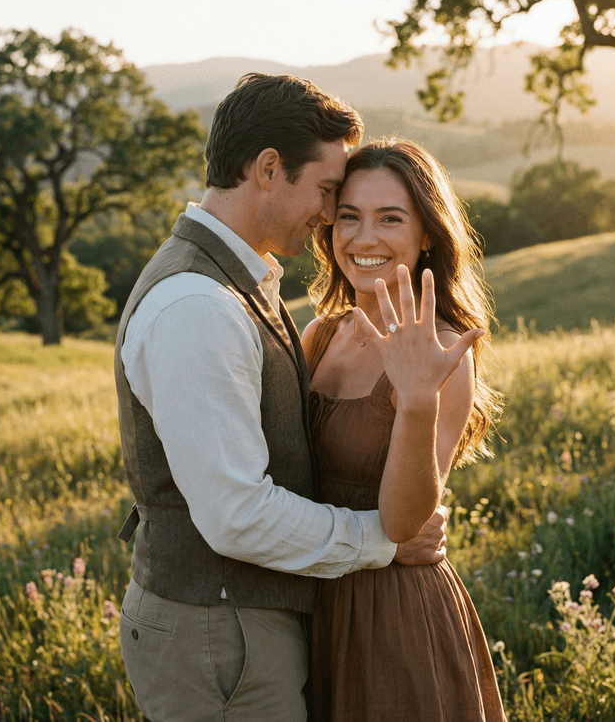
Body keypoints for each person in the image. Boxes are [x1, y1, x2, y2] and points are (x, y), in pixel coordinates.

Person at [113, 75, 458, 722]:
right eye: (331, 195)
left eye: (387, 217)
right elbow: (237, 514)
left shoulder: (236, 286)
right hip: (221, 633)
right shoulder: (200, 304)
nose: (330, 217)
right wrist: (381, 542)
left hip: (284, 620)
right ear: (269, 169)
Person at [303, 138, 507, 721]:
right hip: (307, 598)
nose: (364, 239)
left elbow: (402, 524)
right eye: (349, 217)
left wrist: (417, 400)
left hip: (389, 612)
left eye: (390, 219)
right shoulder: (321, 334)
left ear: (427, 237)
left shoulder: (443, 350)